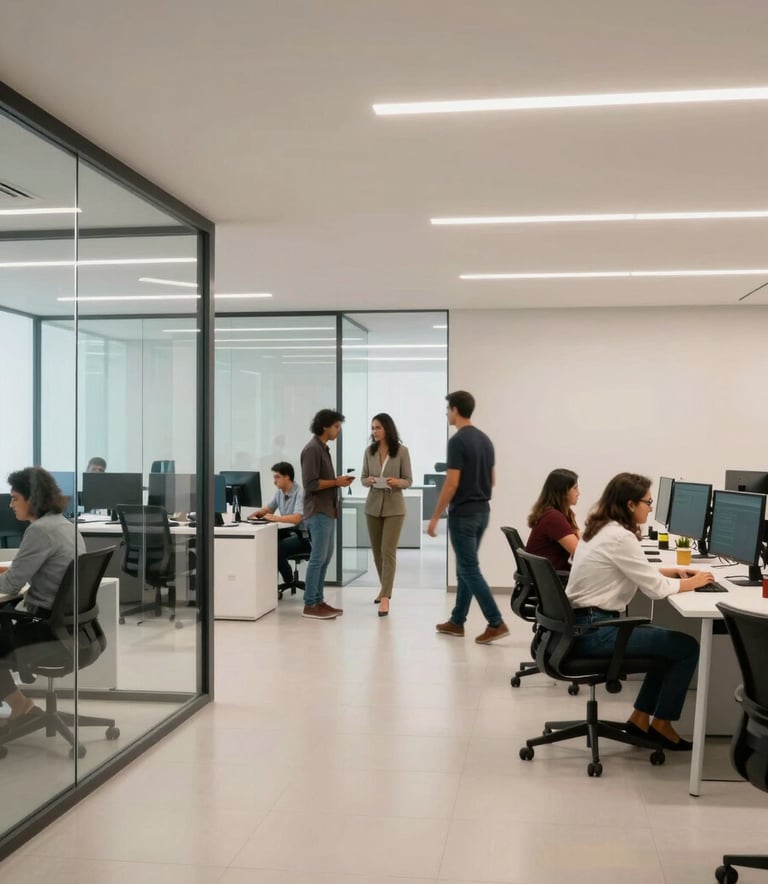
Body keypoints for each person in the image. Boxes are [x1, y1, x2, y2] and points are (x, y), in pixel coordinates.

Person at [566, 472, 713, 750]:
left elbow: (631, 569)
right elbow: (656, 589)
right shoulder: (621, 537)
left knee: (669, 646)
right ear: (631, 505)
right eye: (648, 502)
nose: (651, 507)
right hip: (597, 631)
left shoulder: (600, 529)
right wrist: (692, 582)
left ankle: (641, 717)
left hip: (583, 625)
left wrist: (673, 572)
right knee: (686, 647)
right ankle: (662, 724)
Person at [0, 467, 85, 724]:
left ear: (32, 500)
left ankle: (19, 704)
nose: (11, 503)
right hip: (75, 630)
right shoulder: (63, 523)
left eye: (15, 497)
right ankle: (20, 704)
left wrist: (10, 574)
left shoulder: (39, 531)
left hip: (49, 633)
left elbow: (11, 583)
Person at [427, 390, 509, 644]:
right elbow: (492, 480)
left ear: (455, 410)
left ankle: (495, 622)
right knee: (464, 569)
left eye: (447, 409)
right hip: (483, 512)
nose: (446, 413)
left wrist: (435, 517)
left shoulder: (457, 441)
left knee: (469, 570)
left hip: (463, 515)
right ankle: (457, 621)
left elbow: (451, 484)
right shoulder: (485, 440)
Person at [300, 409, 354, 620]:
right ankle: (310, 604)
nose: (338, 431)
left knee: (325, 558)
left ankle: (318, 600)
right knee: (317, 558)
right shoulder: (312, 449)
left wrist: (336, 481)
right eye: (336, 426)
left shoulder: (323, 449)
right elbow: (311, 484)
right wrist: (336, 482)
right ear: (325, 426)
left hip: (328, 511)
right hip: (318, 511)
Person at [361, 413, 413, 617]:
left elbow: (408, 480)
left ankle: (385, 598)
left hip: (394, 508)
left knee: (388, 552)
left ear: (388, 429)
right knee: (377, 553)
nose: (374, 431)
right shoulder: (369, 451)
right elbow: (363, 478)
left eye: (378, 428)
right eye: (373, 428)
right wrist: (370, 480)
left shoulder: (402, 451)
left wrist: (396, 482)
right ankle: (384, 589)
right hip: (372, 507)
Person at [248, 461, 311, 591]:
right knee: (265, 543)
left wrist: (275, 518)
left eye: (277, 477)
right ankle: (265, 586)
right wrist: (253, 516)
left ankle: (289, 579)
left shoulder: (300, 493)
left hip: (303, 537)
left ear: (287, 477)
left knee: (276, 548)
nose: (274, 481)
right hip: (288, 533)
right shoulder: (279, 493)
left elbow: (297, 518)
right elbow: (268, 509)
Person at [526, 468, 580, 572]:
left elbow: (576, 538)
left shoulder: (557, 514)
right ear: (563, 492)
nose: (578, 493)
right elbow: (579, 551)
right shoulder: (553, 518)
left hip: (548, 575)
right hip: (556, 577)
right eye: (575, 488)